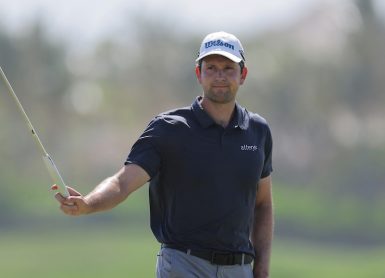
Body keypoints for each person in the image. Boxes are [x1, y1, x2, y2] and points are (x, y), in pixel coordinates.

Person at [54, 31, 274, 278]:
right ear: (198, 73)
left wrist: (261, 269)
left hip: (239, 269)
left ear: (242, 75)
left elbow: (263, 203)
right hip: (184, 265)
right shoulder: (169, 128)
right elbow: (123, 181)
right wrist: (89, 203)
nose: (220, 76)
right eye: (211, 68)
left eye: (228, 68)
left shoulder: (258, 131)